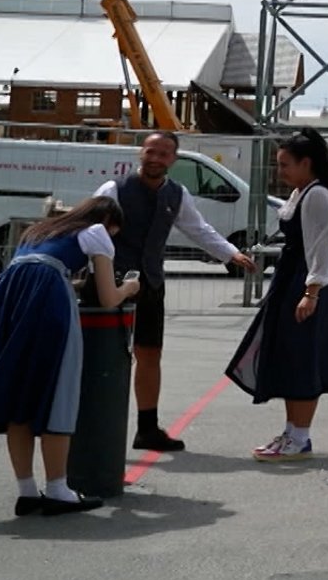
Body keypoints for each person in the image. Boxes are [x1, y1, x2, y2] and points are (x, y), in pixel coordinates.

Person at [96, 131, 256, 452]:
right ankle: (97, 430)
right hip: (109, 287)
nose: (155, 158)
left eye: (164, 153)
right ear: (140, 154)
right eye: (150, 152)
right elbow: (88, 230)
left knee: (149, 355)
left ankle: (147, 428)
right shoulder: (114, 190)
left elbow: (199, 229)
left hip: (151, 286)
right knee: (105, 359)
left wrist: (230, 253)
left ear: (174, 159)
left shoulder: (177, 195)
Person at [0, 197, 141, 516]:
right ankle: (58, 488)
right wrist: (129, 287)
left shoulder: (37, 231)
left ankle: (27, 491)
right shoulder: (97, 231)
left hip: (8, 298)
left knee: (19, 395)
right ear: (109, 222)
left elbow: (43, 267)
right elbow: (109, 297)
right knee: (59, 389)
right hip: (50, 306)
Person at [225, 128, 328, 463]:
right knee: (290, 354)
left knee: (303, 356)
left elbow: (320, 248)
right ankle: (293, 432)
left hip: (308, 283)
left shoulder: (317, 196)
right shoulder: (302, 192)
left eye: (285, 165)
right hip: (292, 279)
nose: (280, 171)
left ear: (306, 163)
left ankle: (300, 436)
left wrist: (311, 293)